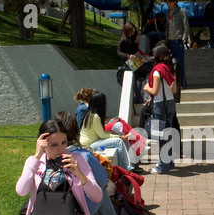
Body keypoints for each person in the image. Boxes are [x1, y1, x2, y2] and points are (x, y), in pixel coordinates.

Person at [54, 111, 125, 215]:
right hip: (79, 206)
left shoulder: (50, 157)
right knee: (102, 188)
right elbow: (103, 179)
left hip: (58, 205)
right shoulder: (82, 155)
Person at [79, 91, 136, 172]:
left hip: (94, 141)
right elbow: (102, 135)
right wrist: (118, 137)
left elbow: (101, 133)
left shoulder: (90, 114)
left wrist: (116, 134)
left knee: (121, 135)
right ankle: (127, 168)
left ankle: (131, 163)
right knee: (118, 141)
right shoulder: (94, 116)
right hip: (90, 145)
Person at [143, 45, 178, 174]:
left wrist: (146, 88)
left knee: (162, 135)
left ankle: (162, 166)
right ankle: (169, 162)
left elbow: (155, 90)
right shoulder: (170, 70)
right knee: (169, 132)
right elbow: (174, 90)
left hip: (160, 105)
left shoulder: (157, 71)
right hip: (170, 104)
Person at [165, 0, 190, 88]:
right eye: (167, 3)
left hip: (178, 40)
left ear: (174, 2)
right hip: (169, 40)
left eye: (170, 2)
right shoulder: (167, 12)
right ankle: (172, 84)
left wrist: (184, 39)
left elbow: (186, 25)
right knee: (170, 63)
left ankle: (182, 83)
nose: (168, 5)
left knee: (180, 63)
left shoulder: (181, 11)